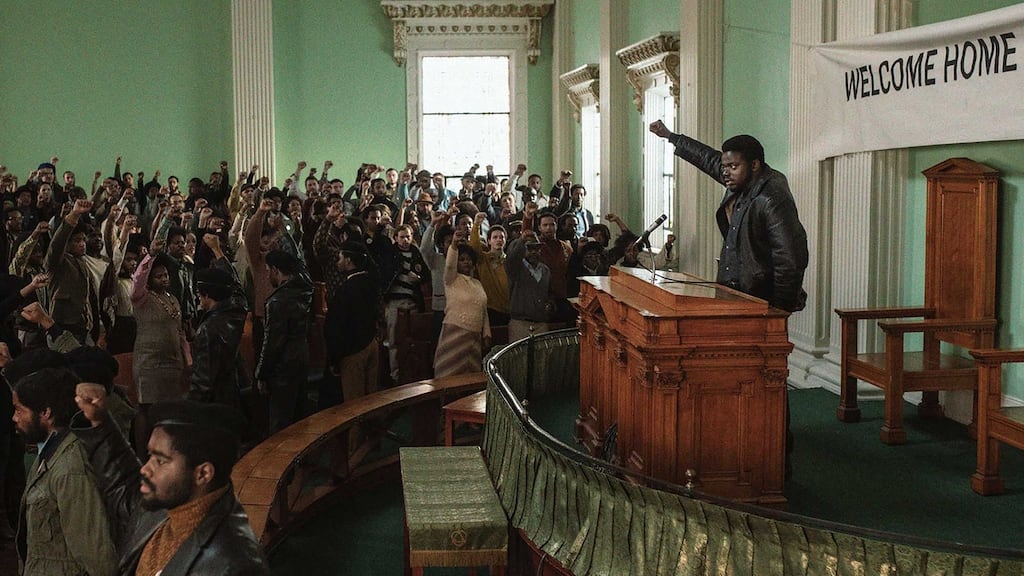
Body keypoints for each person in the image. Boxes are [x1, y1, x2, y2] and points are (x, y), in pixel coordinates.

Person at [71, 392, 270, 575]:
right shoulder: (167, 505)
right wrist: (99, 421)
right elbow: (123, 483)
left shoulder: (235, 564)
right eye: (150, 456)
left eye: (161, 460)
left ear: (203, 473)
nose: (145, 469)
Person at [650, 120, 808, 312]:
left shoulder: (772, 198)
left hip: (758, 300)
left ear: (755, 165)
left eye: (732, 166)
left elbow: (790, 258)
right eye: (724, 166)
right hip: (732, 292)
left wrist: (779, 310)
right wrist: (671, 136)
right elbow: (707, 158)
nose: (725, 172)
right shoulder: (739, 178)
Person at [9, 364, 118, 575]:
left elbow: (97, 556)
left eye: (20, 410)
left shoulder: (71, 468)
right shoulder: (49, 452)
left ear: (45, 412)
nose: (14, 417)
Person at [256, 250, 313, 433]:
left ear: (275, 270)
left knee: (280, 423)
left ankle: (280, 461)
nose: (267, 275)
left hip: (283, 366)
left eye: (267, 270)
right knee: (299, 417)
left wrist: (262, 374)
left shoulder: (278, 301)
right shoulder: (304, 290)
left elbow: (273, 342)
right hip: (301, 356)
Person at [324, 241, 381, 407]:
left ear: (349, 260)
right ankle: (372, 433)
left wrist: (333, 359)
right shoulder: (371, 282)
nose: (338, 261)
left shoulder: (346, 289)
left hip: (353, 351)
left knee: (354, 406)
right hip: (371, 343)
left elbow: (336, 327)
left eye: (340, 257)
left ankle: (357, 434)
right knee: (370, 401)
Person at [433, 242, 491, 377]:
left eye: (469, 259)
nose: (467, 262)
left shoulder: (477, 283)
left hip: (474, 337)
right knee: (447, 376)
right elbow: (448, 265)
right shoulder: (451, 279)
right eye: (462, 259)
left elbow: (484, 309)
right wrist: (453, 245)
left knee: (470, 378)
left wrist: (487, 333)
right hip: (455, 333)